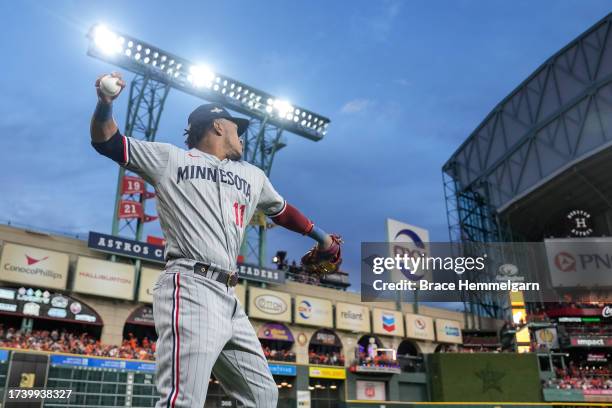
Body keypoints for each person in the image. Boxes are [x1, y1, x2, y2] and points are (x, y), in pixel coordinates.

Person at [90, 72, 342, 408]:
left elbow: (282, 211)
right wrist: (105, 104)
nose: (242, 137)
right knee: (183, 400)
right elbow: (107, 141)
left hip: (229, 298)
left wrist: (323, 239)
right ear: (218, 126)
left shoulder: (252, 175)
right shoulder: (171, 159)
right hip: (190, 286)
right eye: (237, 128)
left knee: (262, 396)